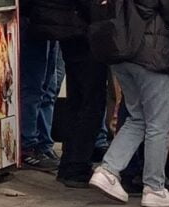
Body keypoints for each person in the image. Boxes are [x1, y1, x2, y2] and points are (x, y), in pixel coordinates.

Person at [90, 0, 169, 207]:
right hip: (150, 51)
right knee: (158, 124)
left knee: (137, 118)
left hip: (119, 50)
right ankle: (154, 187)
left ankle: (108, 170)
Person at [55, 1, 109, 188]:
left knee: (78, 100)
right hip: (85, 33)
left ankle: (70, 163)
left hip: (71, 30)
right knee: (91, 102)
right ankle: (76, 166)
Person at [19, 2, 65, 172]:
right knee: (34, 90)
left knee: (46, 89)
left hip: (46, 21)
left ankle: (43, 143)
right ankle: (29, 146)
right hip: (35, 20)